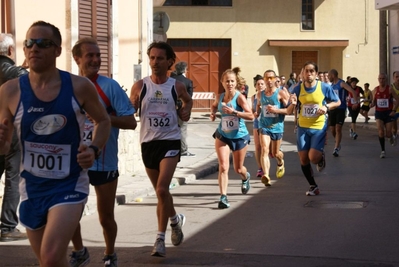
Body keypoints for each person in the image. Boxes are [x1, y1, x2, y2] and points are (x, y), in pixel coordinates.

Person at [0, 21, 111, 267]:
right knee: (50, 262)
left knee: (50, 257)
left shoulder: (79, 86)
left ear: (58, 50)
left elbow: (103, 121)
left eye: (43, 43)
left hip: (69, 185)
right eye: (29, 43)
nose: (34, 48)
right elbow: (5, 147)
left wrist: (93, 150)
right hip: (31, 187)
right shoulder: (9, 91)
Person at [69, 37, 137, 267]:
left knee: (105, 217)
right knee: (69, 214)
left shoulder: (110, 87)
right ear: (77, 58)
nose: (96, 59)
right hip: (74, 161)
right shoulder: (67, 86)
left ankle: (109, 254)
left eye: (98, 55)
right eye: (90, 55)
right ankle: (79, 251)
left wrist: (105, 119)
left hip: (104, 161)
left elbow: (131, 122)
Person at [129, 41, 192, 257]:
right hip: (148, 143)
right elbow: (131, 109)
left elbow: (187, 101)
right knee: (161, 193)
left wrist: (186, 111)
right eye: (152, 58)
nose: (155, 62)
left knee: (162, 190)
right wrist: (132, 106)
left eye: (160, 58)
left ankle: (159, 239)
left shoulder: (176, 86)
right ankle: (175, 221)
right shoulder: (140, 86)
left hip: (170, 141)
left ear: (169, 62)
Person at [291, 62, 341, 196]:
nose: (309, 74)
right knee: (303, 158)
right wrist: (292, 102)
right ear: (303, 73)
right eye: (306, 71)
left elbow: (337, 102)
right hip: (302, 126)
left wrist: (326, 107)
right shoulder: (297, 88)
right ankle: (313, 186)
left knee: (313, 158)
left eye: (312, 71)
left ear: (316, 74)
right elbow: (291, 104)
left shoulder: (324, 87)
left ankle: (320, 157)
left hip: (318, 126)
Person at [209, 68, 254, 209]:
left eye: (232, 81)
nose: (229, 83)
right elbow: (214, 106)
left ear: (236, 83)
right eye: (227, 81)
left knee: (238, 169)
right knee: (223, 167)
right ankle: (223, 197)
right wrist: (212, 113)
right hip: (223, 135)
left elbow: (251, 115)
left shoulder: (240, 97)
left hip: (239, 137)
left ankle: (245, 177)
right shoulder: (220, 97)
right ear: (222, 82)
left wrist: (234, 112)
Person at [0, 33, 28, 242]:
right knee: (13, 176)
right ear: (10, 50)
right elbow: (29, 79)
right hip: (8, 127)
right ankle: (8, 226)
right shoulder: (12, 70)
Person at [256, 70, 296, 186]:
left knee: (275, 153)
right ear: (263, 79)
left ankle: (280, 161)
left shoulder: (280, 93)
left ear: (275, 79)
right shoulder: (260, 94)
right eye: (266, 78)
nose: (269, 80)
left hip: (277, 127)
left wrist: (276, 110)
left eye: (271, 78)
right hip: (264, 126)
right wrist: (256, 112)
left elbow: (289, 111)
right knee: (264, 149)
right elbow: (259, 105)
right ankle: (266, 175)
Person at [327, 69, 359, 157]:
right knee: (332, 129)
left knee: (338, 128)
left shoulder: (341, 83)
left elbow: (352, 91)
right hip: (332, 109)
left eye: (329, 75)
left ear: (333, 75)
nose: (328, 77)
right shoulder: (331, 86)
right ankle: (337, 141)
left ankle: (336, 147)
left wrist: (355, 102)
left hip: (341, 109)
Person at [370, 73, 399, 158]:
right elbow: (374, 101)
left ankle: (390, 137)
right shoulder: (376, 89)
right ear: (378, 79)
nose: (381, 80)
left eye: (383, 79)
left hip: (388, 113)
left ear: (386, 80)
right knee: (381, 131)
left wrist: (394, 110)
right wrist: (372, 104)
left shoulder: (390, 89)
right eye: (380, 78)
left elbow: (397, 100)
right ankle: (383, 150)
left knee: (388, 133)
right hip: (379, 113)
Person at [173, 61, 195, 157]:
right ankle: (183, 150)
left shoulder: (169, 80)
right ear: (185, 70)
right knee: (182, 129)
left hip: (169, 108)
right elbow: (189, 98)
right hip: (182, 108)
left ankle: (172, 149)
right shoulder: (188, 82)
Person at [251, 74, 265, 178]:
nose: (260, 85)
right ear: (255, 86)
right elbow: (252, 110)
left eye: (261, 84)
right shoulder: (253, 97)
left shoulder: (268, 95)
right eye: (258, 84)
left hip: (267, 123)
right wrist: (254, 113)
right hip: (257, 122)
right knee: (257, 146)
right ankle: (260, 168)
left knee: (266, 147)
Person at [390, 71, 399, 145]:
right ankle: (394, 135)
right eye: (397, 77)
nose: (398, 78)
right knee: (394, 128)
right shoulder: (391, 87)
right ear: (393, 78)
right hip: (393, 110)